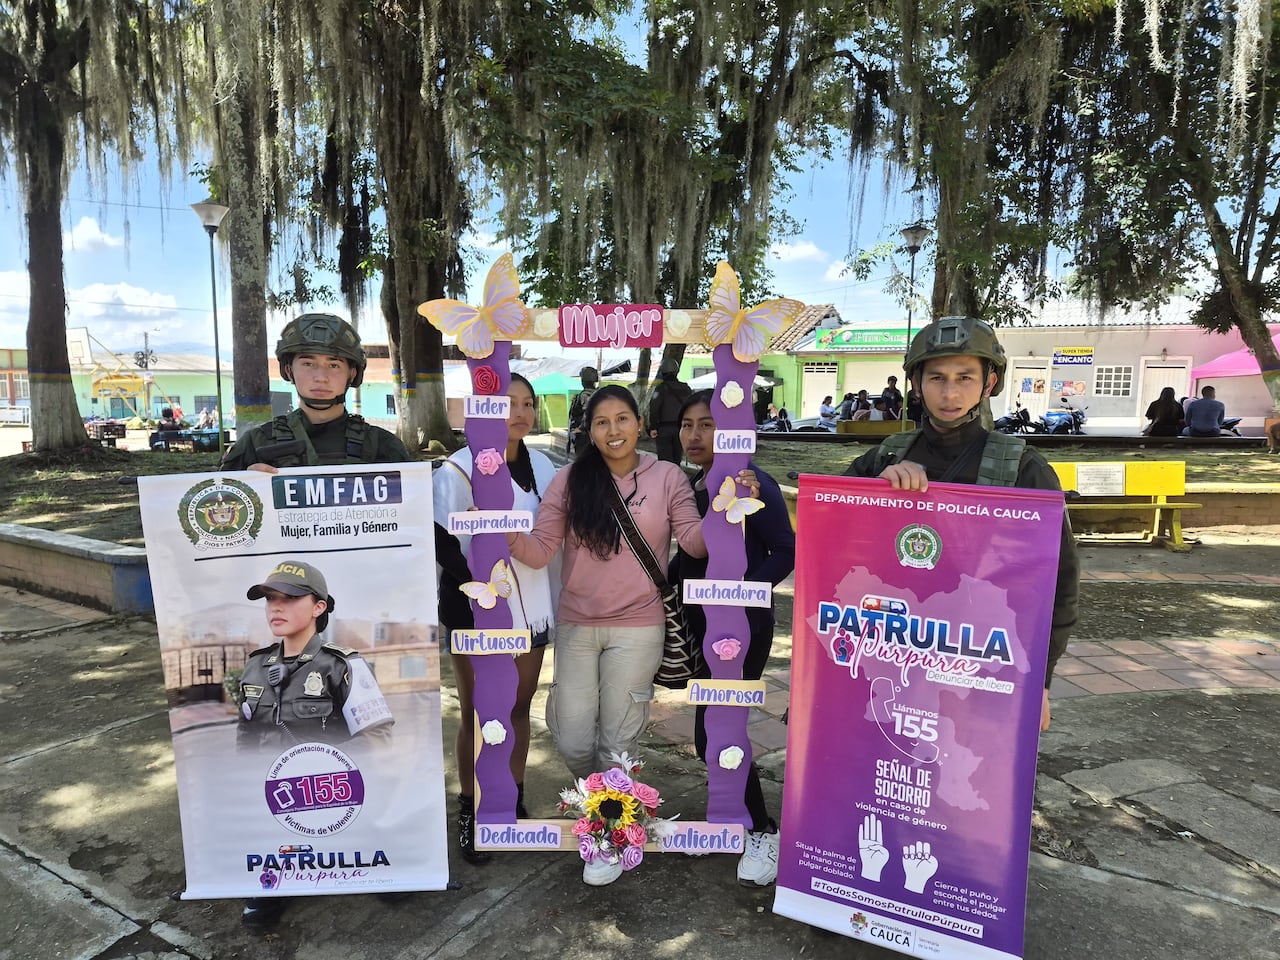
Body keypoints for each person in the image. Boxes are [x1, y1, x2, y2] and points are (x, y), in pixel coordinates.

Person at [506, 385, 707, 886]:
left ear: (640, 424)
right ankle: (599, 801)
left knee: (618, 739)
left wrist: (732, 502)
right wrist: (494, 526)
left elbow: (697, 543)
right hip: (577, 624)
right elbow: (538, 549)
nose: (613, 430)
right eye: (602, 422)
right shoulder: (572, 481)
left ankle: (606, 834)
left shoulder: (668, 478)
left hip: (639, 626)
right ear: (588, 431)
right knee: (573, 736)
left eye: (622, 419)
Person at [842, 316, 1079, 734]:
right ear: (916, 383)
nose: (949, 393)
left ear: (988, 383)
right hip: (893, 656)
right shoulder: (882, 459)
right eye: (936, 378)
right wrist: (873, 495)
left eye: (965, 377)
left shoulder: (1021, 467)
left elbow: (1058, 582)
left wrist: (1040, 684)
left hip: (981, 666)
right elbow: (829, 539)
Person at [669, 391, 795, 887]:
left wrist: (738, 595)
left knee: (718, 734)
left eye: (708, 425)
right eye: (687, 424)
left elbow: (785, 550)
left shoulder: (752, 483)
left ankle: (763, 831)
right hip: (705, 629)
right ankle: (728, 820)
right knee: (711, 735)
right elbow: (690, 555)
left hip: (741, 631)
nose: (695, 435)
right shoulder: (695, 483)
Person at [433, 373, 558, 865]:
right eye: (509, 403)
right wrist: (485, 590)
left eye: (528, 404)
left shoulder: (545, 465)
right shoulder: (458, 468)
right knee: (479, 714)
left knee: (517, 709)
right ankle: (473, 806)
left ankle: (511, 797)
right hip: (474, 609)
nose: (521, 412)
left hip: (532, 605)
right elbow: (444, 542)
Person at [236, 560, 393, 926]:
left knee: (384, 870)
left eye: (289, 598)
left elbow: (378, 735)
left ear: (319, 607)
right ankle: (272, 878)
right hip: (275, 803)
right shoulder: (255, 667)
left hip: (333, 796)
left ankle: (370, 859)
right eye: (270, 599)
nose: (276, 607)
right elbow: (246, 736)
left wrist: (323, 771)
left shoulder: (341, 665)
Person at [219, 313, 410, 471]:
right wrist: (246, 486)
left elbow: (415, 509)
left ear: (351, 374)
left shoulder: (383, 447)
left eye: (334, 365)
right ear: (289, 371)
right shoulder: (255, 444)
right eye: (308, 364)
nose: (321, 377)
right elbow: (215, 505)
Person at [648, 358, 692, 462]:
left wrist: (652, 427)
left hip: (664, 429)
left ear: (662, 371)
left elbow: (654, 409)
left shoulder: (661, 388)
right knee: (677, 459)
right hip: (681, 428)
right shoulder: (686, 388)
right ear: (677, 371)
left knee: (665, 461)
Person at [566, 365, 598, 457]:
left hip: (585, 437)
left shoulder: (585, 395)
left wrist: (581, 428)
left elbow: (588, 412)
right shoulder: (597, 394)